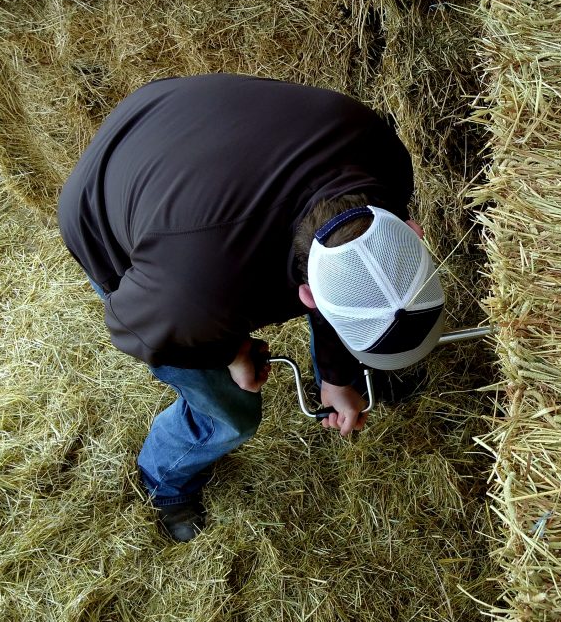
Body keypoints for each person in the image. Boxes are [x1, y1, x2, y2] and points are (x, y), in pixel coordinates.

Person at [58, 74, 444, 542]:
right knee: (233, 410)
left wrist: (339, 379)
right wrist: (232, 353)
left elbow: (351, 262)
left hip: (191, 134)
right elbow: (132, 327)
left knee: (348, 284)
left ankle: (343, 377)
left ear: (412, 231)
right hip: (112, 194)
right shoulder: (190, 298)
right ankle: (167, 479)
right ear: (308, 299)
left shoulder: (381, 155)